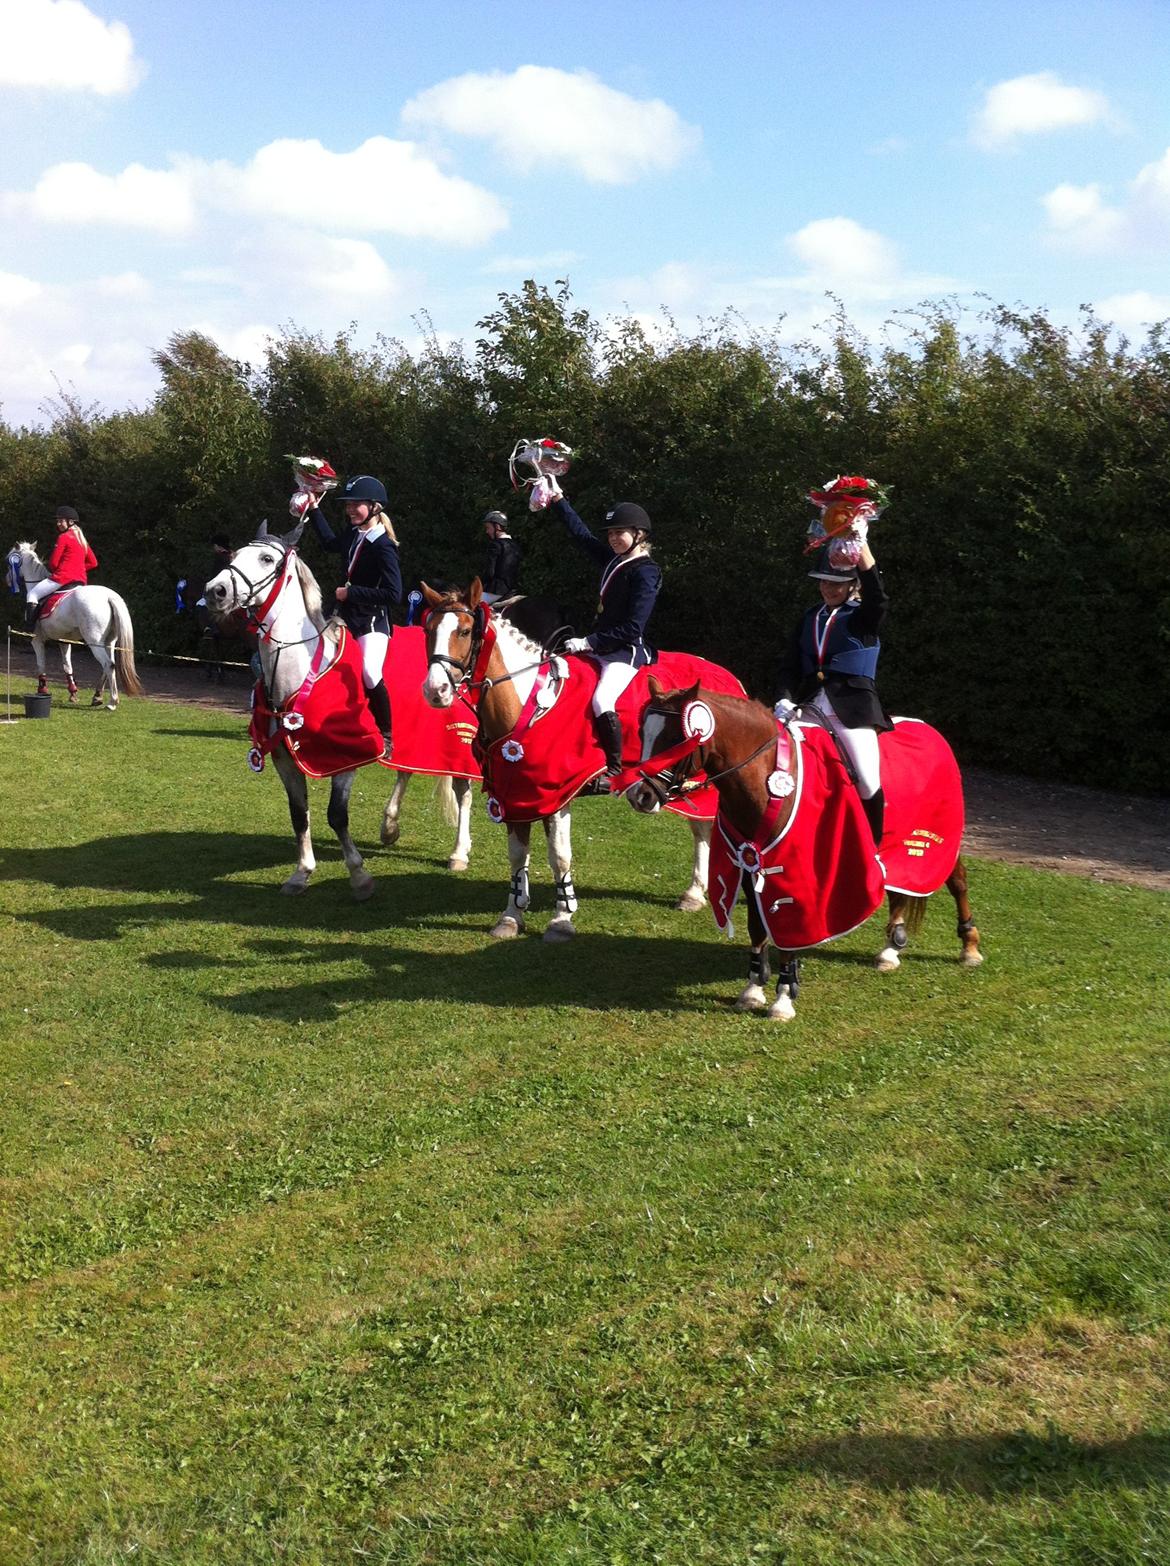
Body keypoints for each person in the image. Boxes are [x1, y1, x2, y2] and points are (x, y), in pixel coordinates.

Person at [774, 537, 893, 845]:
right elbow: (790, 665)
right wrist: (784, 698)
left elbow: (878, 597)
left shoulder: (862, 617)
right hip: (809, 706)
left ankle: (872, 851)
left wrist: (862, 546)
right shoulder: (810, 617)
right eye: (825, 582)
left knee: (867, 780)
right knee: (779, 769)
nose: (829, 588)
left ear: (853, 584)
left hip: (852, 710)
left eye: (837, 583)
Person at [551, 493, 661, 775]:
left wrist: (588, 642)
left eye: (619, 533)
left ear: (639, 534)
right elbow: (583, 537)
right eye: (610, 533)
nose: (612, 538)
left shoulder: (646, 572)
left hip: (624, 652)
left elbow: (633, 627)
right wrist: (558, 499)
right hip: (600, 647)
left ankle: (613, 767)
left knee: (602, 700)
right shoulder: (615, 560)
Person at [308, 474, 401, 751]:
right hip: (345, 616)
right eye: (347, 504)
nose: (349, 509)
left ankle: (386, 733)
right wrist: (313, 508)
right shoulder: (353, 534)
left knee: (370, 673)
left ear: (374, 507)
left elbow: (394, 594)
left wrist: (352, 592)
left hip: (372, 621)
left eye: (355, 504)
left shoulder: (384, 546)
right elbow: (328, 543)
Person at [25, 506, 98, 629]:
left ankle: (31, 630)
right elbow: (94, 563)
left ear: (70, 522)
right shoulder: (82, 540)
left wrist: (63, 570)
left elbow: (53, 563)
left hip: (62, 578)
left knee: (32, 594)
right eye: (57, 520)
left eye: (61, 520)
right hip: (80, 580)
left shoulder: (63, 537)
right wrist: (77, 569)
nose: (58, 523)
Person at [480, 509, 521, 602]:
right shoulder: (515, 545)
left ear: (497, 527)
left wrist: (477, 585)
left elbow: (489, 573)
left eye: (488, 528)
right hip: (513, 589)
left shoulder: (495, 545)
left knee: (471, 605)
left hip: (497, 590)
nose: (487, 531)